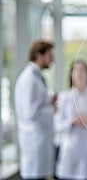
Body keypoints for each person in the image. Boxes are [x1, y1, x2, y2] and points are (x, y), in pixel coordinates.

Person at [54, 60, 87, 180]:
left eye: (82, 70)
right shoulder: (64, 97)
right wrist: (72, 122)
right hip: (70, 152)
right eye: (76, 70)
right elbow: (56, 125)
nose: (79, 74)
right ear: (71, 75)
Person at [14, 40, 57, 180]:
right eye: (50, 55)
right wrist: (52, 108)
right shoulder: (29, 79)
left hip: (40, 141)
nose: (53, 59)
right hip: (34, 141)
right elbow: (29, 113)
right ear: (39, 56)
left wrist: (49, 101)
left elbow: (36, 104)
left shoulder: (36, 77)